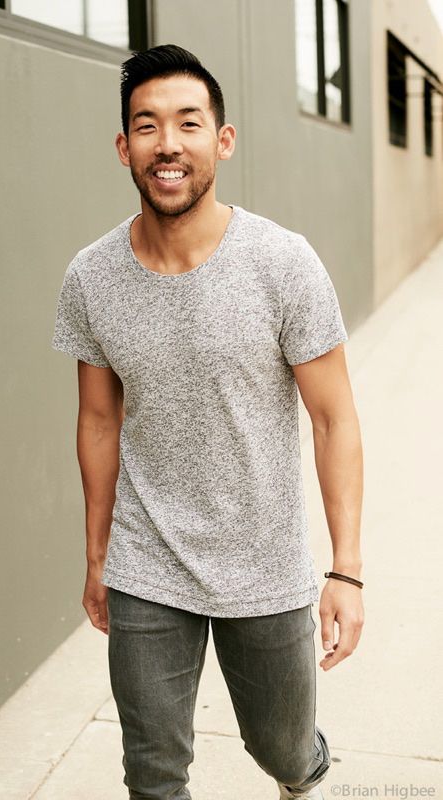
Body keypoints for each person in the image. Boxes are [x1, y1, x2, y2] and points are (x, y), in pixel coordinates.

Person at [51, 43, 364, 800]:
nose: (168, 143)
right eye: (147, 125)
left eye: (188, 123)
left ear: (222, 140)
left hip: (265, 559)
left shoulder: (282, 263)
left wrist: (346, 570)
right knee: (153, 774)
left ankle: (304, 771)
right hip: (147, 559)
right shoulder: (91, 276)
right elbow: (98, 421)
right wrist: (98, 556)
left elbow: (333, 420)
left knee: (282, 749)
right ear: (124, 147)